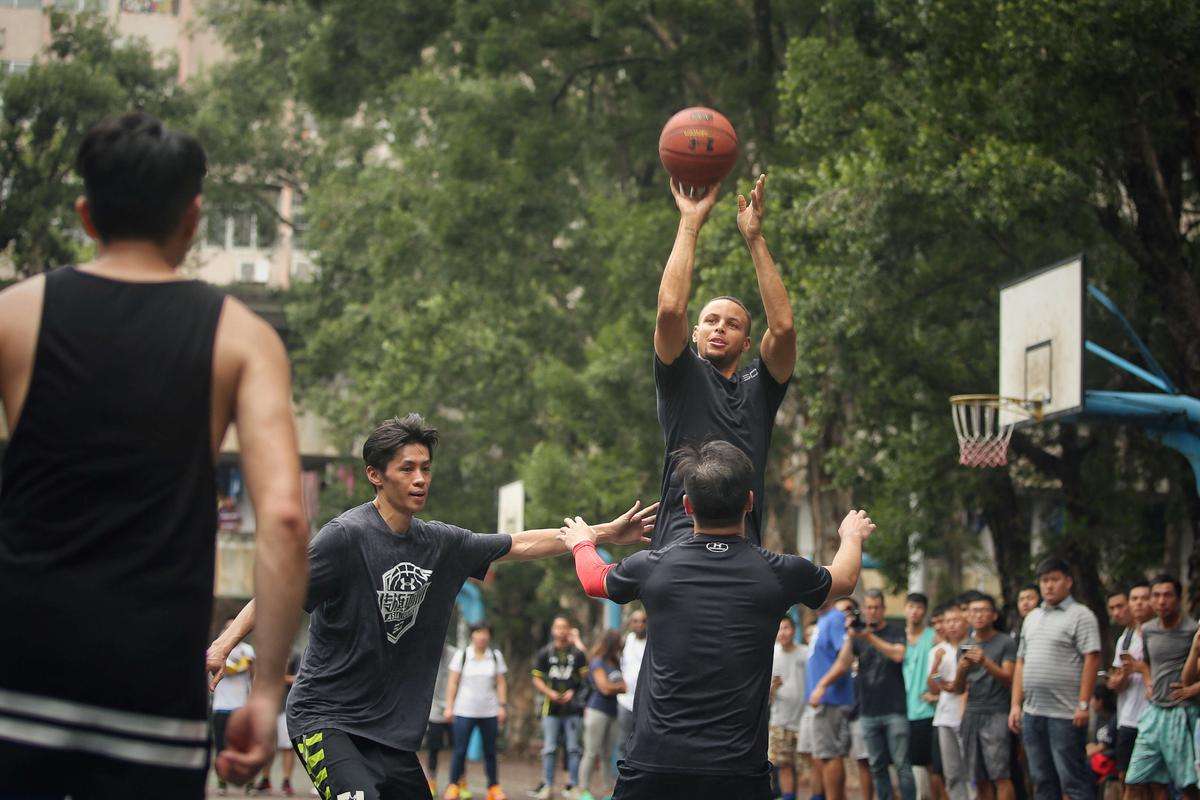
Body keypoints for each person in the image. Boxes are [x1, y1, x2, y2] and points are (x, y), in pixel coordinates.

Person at [0, 111, 309, 797]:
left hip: (19, 671)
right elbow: (286, 518)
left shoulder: (15, 314)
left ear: (85, 214)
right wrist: (263, 694)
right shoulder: (242, 337)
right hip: (151, 682)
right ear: (193, 218)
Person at [207, 415, 658, 800]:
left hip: (390, 734)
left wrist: (597, 535)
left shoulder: (441, 543)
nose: (421, 478)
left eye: (426, 467)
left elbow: (519, 542)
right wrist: (223, 646)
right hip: (327, 719)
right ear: (375, 475)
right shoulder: (345, 537)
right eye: (407, 469)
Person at [559, 440, 875, 800]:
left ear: (687, 506)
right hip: (737, 771)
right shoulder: (778, 572)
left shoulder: (652, 566)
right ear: (750, 503)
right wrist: (851, 535)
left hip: (654, 765)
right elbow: (845, 578)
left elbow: (593, 579)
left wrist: (584, 541)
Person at [650, 174, 795, 549]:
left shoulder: (761, 384)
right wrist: (690, 221)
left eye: (732, 325)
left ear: (746, 342)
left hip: (743, 541)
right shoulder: (681, 375)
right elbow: (669, 309)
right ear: (695, 333)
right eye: (711, 321)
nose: (719, 328)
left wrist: (755, 239)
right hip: (680, 539)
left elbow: (783, 328)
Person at [1009, 558, 1103, 800]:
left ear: (1068, 582)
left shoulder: (1081, 615)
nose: (1048, 586)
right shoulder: (1032, 617)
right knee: (1041, 780)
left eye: (1054, 579)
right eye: (1044, 580)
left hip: (1066, 714)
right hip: (1033, 712)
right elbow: (1021, 661)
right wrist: (1015, 705)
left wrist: (1083, 704)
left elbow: (1092, 659)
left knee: (1073, 780)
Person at [827, 588, 914, 800]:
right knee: (876, 766)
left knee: (902, 765)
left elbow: (898, 655)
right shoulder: (857, 635)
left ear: (883, 609)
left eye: (876, 607)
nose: (872, 611)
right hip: (867, 710)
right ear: (863, 610)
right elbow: (844, 662)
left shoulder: (896, 630)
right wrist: (849, 636)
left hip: (895, 709)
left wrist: (869, 636)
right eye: (869, 608)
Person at [1122, 574, 1199, 799]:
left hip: (1182, 712)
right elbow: (1147, 662)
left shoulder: (1192, 630)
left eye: (1167, 595)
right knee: (1135, 779)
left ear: (1178, 598)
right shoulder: (1147, 629)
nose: (1161, 601)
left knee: (1187, 786)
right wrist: (1147, 679)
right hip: (1154, 712)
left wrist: (1193, 690)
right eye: (1156, 595)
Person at [955, 594, 1018, 800]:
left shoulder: (1005, 642)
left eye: (983, 610)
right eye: (973, 611)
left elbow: (1009, 679)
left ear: (993, 615)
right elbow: (958, 689)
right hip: (971, 712)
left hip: (997, 711)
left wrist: (984, 661)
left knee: (1000, 775)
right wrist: (962, 669)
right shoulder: (964, 645)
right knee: (978, 777)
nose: (978, 615)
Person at [445, 623, 508, 800]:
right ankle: (453, 784)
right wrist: (449, 707)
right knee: (460, 750)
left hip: (489, 711)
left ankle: (493, 786)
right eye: (478, 633)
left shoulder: (495, 656)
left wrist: (502, 706)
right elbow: (452, 682)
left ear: (489, 636)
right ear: (472, 635)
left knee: (490, 751)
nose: (482, 637)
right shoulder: (462, 655)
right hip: (465, 710)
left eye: (485, 633)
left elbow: (501, 682)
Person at [531, 615, 589, 800]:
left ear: (569, 629)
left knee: (573, 748)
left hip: (573, 709)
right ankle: (547, 786)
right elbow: (536, 678)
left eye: (564, 627)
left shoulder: (578, 654)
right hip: (551, 708)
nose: (561, 631)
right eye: (558, 627)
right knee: (549, 748)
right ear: (553, 630)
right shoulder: (545, 653)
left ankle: (572, 785)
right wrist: (549, 693)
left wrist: (573, 691)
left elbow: (585, 678)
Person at [808, 597, 860, 800]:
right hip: (824, 700)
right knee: (825, 756)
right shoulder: (824, 619)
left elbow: (845, 658)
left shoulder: (835, 618)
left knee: (830, 755)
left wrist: (822, 685)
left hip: (832, 699)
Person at [1107, 582, 1153, 799]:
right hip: (1127, 718)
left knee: (1155, 783)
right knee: (1127, 778)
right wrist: (1119, 678)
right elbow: (1119, 682)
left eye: (1143, 598)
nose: (1138, 604)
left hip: (1153, 716)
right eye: (1134, 599)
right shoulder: (1124, 639)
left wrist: (1142, 669)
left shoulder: (1159, 634)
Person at [579, 630, 628, 800]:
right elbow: (605, 688)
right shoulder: (597, 662)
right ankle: (583, 790)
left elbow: (624, 686)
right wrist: (617, 687)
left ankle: (608, 790)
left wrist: (616, 686)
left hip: (613, 711)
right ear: (611, 644)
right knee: (591, 752)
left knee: (608, 753)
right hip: (597, 711)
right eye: (617, 643)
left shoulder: (615, 663)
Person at [928, 605, 970, 800]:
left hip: (968, 714)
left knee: (971, 770)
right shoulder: (938, 650)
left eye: (956, 620)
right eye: (948, 621)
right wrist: (936, 664)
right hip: (945, 716)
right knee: (951, 772)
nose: (952, 625)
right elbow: (934, 686)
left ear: (965, 622)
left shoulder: (972, 646)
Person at [212, 623, 256, 796]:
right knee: (221, 748)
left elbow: (251, 672)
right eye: (227, 627)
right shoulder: (216, 649)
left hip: (241, 706)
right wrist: (241, 665)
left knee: (245, 747)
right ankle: (222, 783)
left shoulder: (248, 649)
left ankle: (250, 784)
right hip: (221, 706)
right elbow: (229, 670)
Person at [253, 651, 303, 796]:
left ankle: (286, 782)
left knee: (287, 747)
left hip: (286, 707)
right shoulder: (266, 652)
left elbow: (300, 678)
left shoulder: (295, 656)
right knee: (266, 745)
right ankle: (265, 780)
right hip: (268, 706)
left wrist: (280, 677)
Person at [903, 593, 938, 798]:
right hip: (901, 708)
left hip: (926, 709)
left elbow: (941, 668)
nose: (914, 611)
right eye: (911, 606)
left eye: (919, 607)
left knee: (928, 762)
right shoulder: (898, 637)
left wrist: (938, 691)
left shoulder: (933, 636)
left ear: (924, 611)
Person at [771, 616, 808, 800]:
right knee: (784, 764)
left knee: (804, 766)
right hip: (780, 720)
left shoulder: (805, 653)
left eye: (786, 628)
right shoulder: (772, 654)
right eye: (779, 629)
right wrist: (773, 687)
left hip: (803, 718)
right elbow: (766, 696)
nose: (782, 633)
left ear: (794, 630)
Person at [796, 623, 827, 800]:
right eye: (808, 634)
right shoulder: (804, 653)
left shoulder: (822, 656)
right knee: (809, 754)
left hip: (820, 708)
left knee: (820, 756)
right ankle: (816, 794)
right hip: (805, 710)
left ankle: (820, 795)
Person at [425, 645, 457, 797]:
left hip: (454, 709)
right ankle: (432, 781)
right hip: (435, 710)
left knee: (458, 748)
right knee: (433, 748)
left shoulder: (456, 654)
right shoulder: (428, 650)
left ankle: (457, 782)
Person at [616, 609, 648, 761]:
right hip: (625, 700)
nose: (640, 624)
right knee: (623, 741)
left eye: (643, 621)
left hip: (646, 700)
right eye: (635, 621)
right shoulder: (626, 640)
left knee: (643, 740)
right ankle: (622, 778)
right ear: (630, 623)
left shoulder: (653, 641)